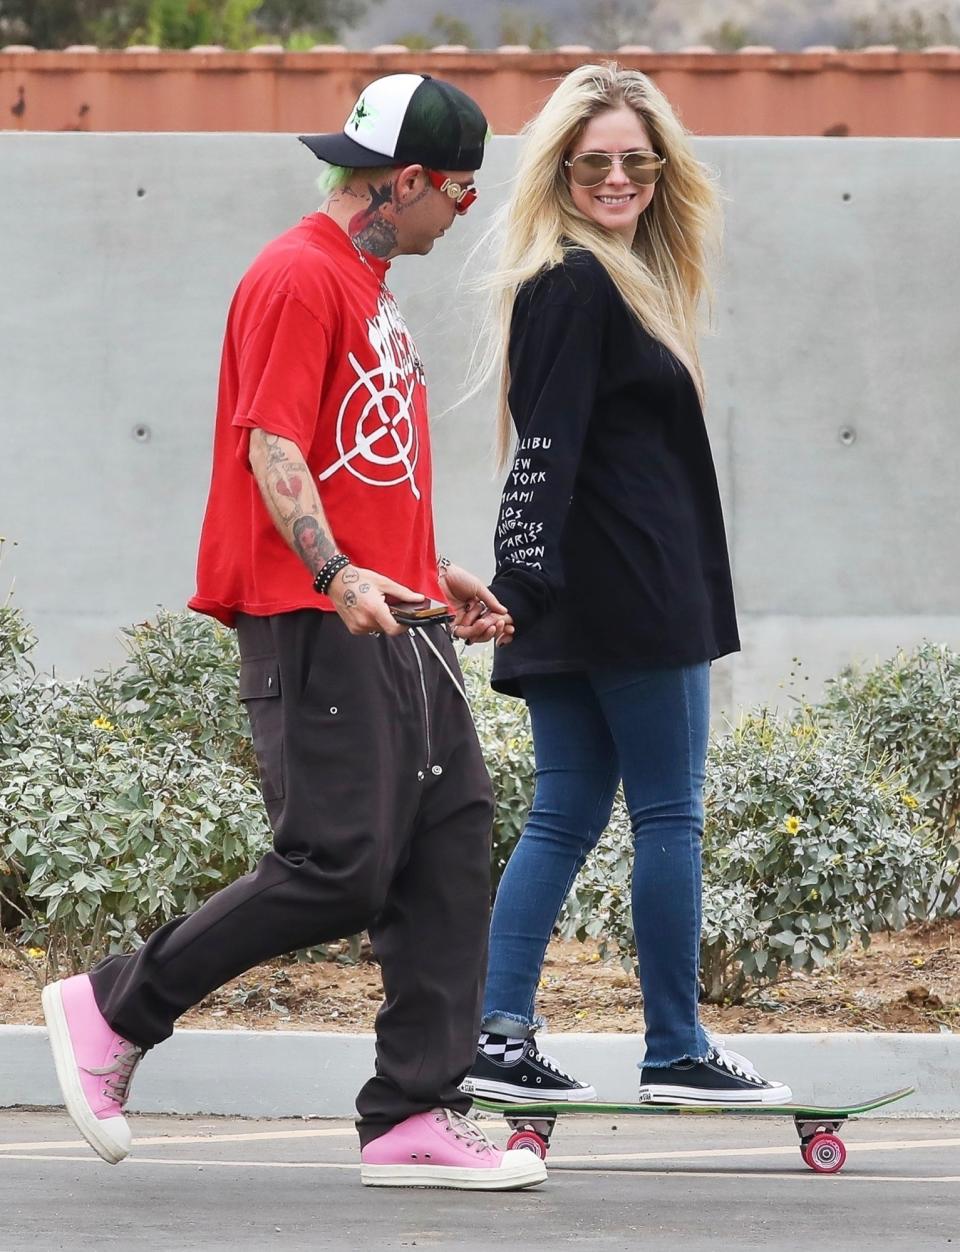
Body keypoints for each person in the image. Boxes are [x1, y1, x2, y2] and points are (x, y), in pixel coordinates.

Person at [41, 73, 545, 1192]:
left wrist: (429, 571)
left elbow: (357, 459)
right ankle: (112, 1005)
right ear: (408, 181)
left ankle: (416, 1112)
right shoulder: (296, 276)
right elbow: (271, 444)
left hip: (396, 616)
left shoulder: (366, 284)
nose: (461, 215)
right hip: (311, 615)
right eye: (459, 195)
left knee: (451, 844)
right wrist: (332, 570)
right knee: (340, 862)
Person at [461, 63, 792, 1107]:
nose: (618, 177)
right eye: (594, 160)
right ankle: (676, 1047)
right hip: (631, 593)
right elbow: (545, 448)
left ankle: (499, 1036)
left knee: (564, 812)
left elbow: (549, 444)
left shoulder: (592, 279)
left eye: (636, 160)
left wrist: (526, 583)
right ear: (559, 169)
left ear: (661, 168)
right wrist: (517, 575)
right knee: (668, 817)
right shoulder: (577, 280)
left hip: (580, 591)